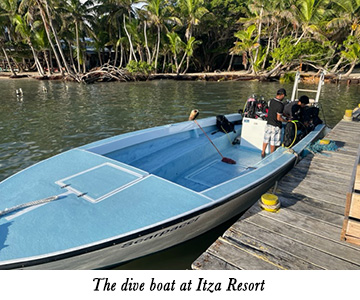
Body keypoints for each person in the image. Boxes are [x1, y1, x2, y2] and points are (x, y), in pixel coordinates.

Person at [261, 88, 287, 158]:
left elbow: (274, 111)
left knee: (266, 139)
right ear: (282, 95)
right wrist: (286, 121)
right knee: (273, 142)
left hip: (268, 123)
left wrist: (284, 114)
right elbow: (279, 118)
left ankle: (263, 152)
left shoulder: (271, 101)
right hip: (275, 126)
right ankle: (271, 157)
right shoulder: (281, 105)